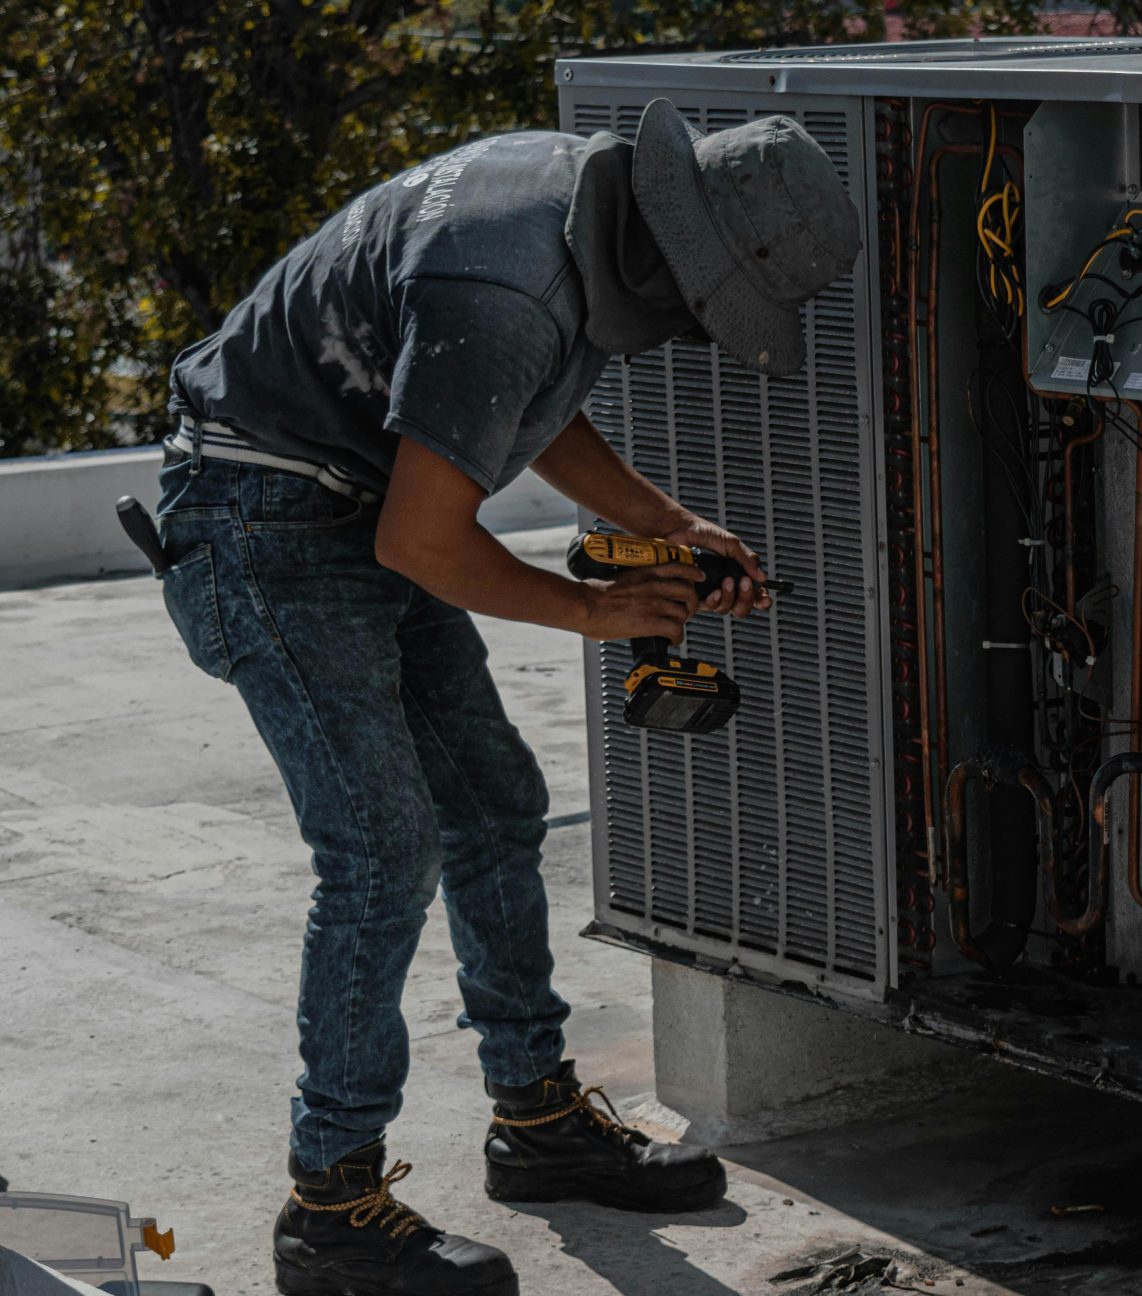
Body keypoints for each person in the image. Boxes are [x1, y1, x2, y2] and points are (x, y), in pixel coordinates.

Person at [157, 99, 861, 1296]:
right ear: (675, 260)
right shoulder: (507, 285)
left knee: (494, 801)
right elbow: (426, 542)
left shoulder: (567, 200)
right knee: (382, 848)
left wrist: (665, 524)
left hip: (338, 495)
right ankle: (328, 1208)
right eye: (704, 312)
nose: (691, 335)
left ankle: (535, 1123)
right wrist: (593, 611)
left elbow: (515, 400)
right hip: (259, 521)